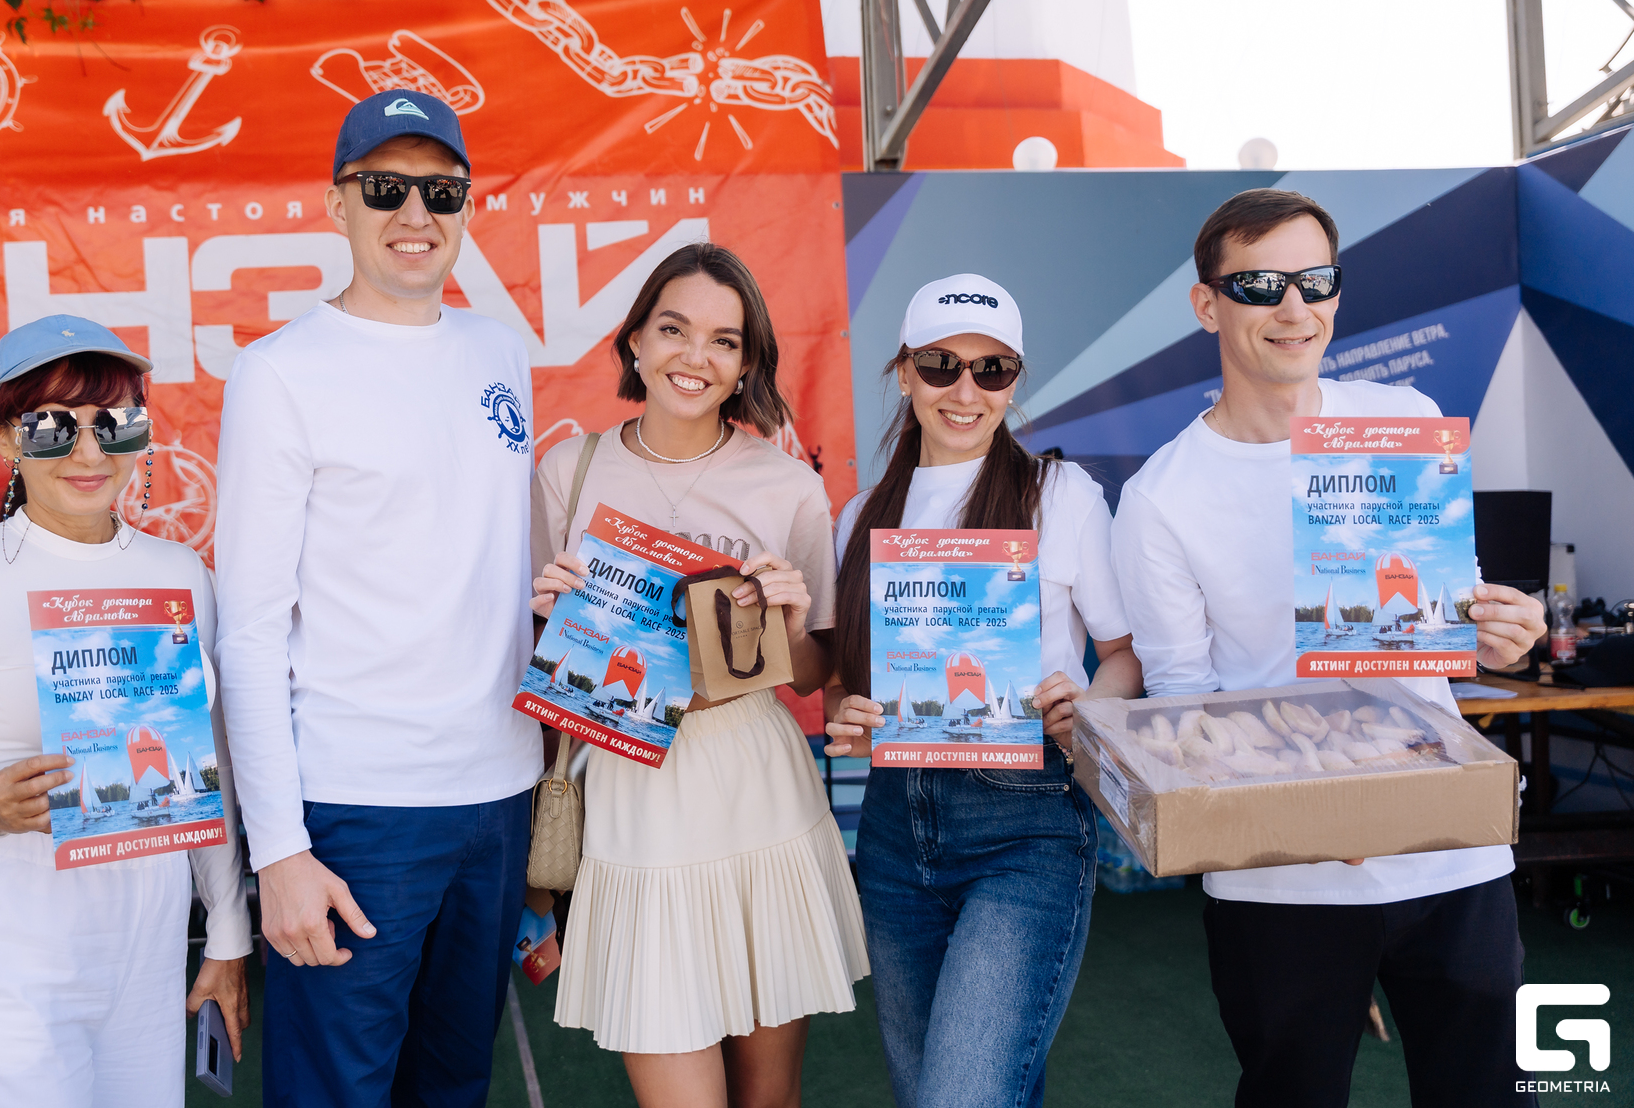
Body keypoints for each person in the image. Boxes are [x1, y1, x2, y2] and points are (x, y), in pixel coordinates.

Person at [1111, 190, 1546, 1108]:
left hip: (1450, 850)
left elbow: (1451, 615)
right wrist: (1320, 815)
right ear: (1206, 305)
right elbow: (1188, 708)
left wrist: (1502, 634)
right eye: (1258, 285)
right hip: (1283, 882)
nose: (1293, 307)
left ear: (1336, 294)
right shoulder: (1160, 498)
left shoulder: (1403, 419)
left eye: (1314, 281)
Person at [215, 89, 539, 1107]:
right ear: (337, 203)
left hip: (499, 795)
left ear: (468, 207)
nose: (414, 214)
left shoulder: (500, 351)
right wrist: (279, 849)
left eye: (440, 191)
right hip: (357, 808)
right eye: (386, 187)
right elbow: (249, 631)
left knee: (452, 1087)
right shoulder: (279, 373)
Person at [0, 317, 250, 1105]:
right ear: (5, 437)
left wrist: (228, 934)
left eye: (115, 423)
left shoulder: (182, 575)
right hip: (5, 946)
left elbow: (211, 774)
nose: (89, 453)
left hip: (147, 942)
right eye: (53, 426)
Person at [531, 243, 868, 1108]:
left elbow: (812, 674)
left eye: (725, 340)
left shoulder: (787, 485)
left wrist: (787, 623)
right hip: (630, 793)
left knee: (767, 1098)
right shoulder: (567, 473)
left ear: (747, 363)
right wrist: (547, 615)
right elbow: (537, 664)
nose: (696, 356)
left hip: (755, 783)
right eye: (674, 329)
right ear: (635, 340)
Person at [821, 275, 1143, 1108]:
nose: (965, 392)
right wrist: (847, 713)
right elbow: (847, 689)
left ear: (1014, 379)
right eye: (941, 365)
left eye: (992, 370)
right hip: (893, 828)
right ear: (904, 372)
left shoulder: (1061, 496)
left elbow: (1123, 656)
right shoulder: (859, 517)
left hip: (1027, 825)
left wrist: (1089, 713)